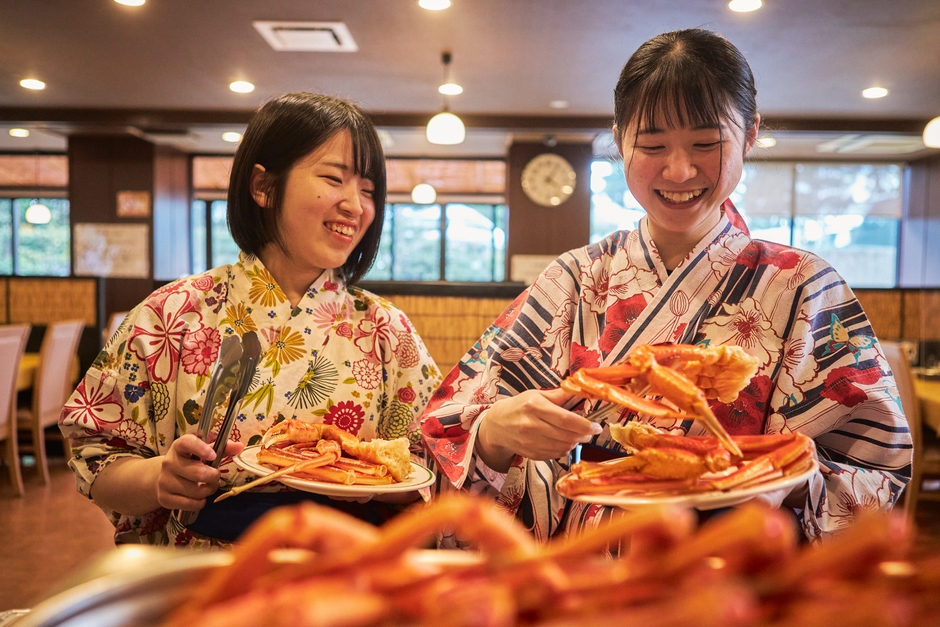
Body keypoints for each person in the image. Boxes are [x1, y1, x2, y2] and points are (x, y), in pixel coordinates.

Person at [420, 29, 911, 544]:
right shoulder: (571, 280)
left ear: (749, 135)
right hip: (579, 572)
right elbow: (445, 429)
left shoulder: (805, 287)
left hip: (728, 568)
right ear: (619, 141)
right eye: (652, 145)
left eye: (706, 143)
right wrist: (496, 435)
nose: (679, 170)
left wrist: (782, 482)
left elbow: (879, 470)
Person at [59, 93, 442, 547]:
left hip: (346, 576)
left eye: (368, 190)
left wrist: (381, 483)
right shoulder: (172, 314)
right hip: (205, 578)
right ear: (263, 186)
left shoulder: (386, 330)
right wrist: (161, 479)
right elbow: (97, 455)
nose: (356, 207)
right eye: (334, 179)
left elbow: (430, 466)